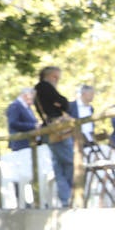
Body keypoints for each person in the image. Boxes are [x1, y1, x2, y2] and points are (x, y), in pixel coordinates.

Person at [33, 66, 74, 207]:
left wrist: (61, 103)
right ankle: (70, 196)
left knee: (58, 164)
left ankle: (65, 198)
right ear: (48, 76)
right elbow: (63, 103)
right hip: (57, 129)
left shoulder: (38, 90)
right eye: (55, 77)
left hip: (50, 128)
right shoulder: (44, 87)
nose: (57, 80)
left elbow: (61, 103)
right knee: (68, 161)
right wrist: (61, 103)